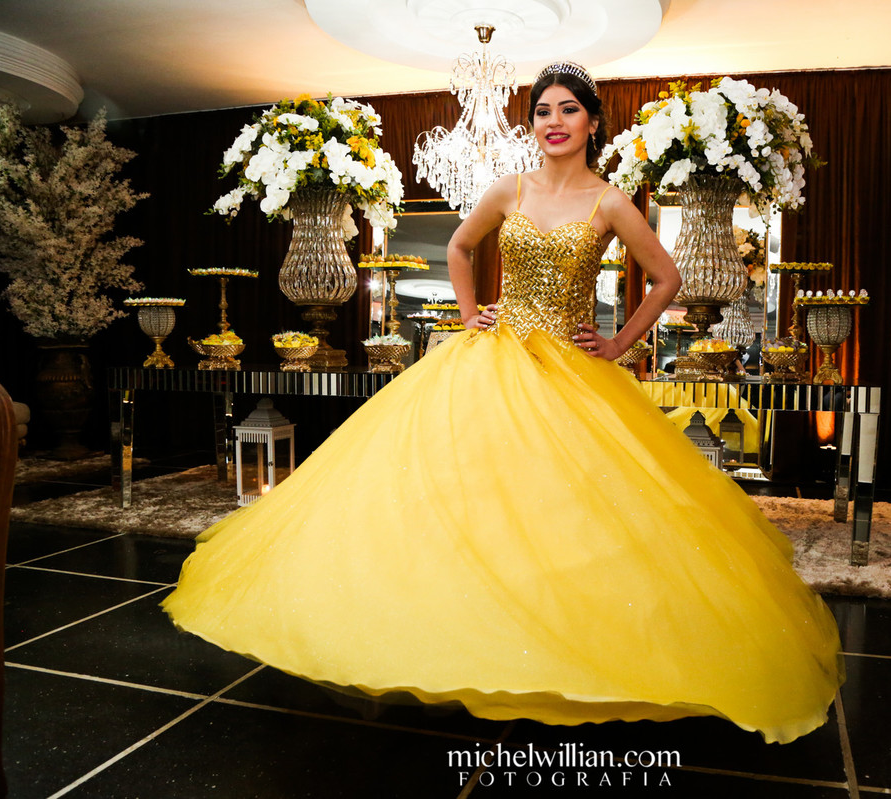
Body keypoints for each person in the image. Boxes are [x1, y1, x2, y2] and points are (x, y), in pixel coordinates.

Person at [163, 61, 843, 745]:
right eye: (543, 111)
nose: (554, 122)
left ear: (592, 122)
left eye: (568, 110)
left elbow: (666, 278)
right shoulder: (508, 189)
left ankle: (556, 640)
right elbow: (460, 247)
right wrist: (470, 313)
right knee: (457, 499)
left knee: (566, 513)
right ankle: (450, 631)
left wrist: (619, 343)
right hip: (492, 358)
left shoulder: (610, 202)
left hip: (571, 373)